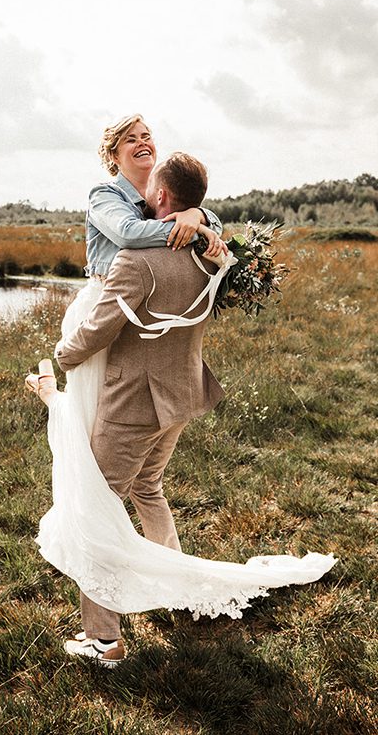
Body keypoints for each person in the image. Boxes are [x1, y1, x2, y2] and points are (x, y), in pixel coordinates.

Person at [27, 132, 336, 669]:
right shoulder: (209, 253)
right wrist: (204, 225)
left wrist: (62, 356)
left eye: (154, 194)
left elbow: (98, 331)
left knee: (97, 510)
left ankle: (104, 639)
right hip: (181, 393)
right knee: (148, 485)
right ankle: (177, 587)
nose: (146, 197)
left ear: (165, 199)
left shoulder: (137, 262)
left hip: (133, 404)